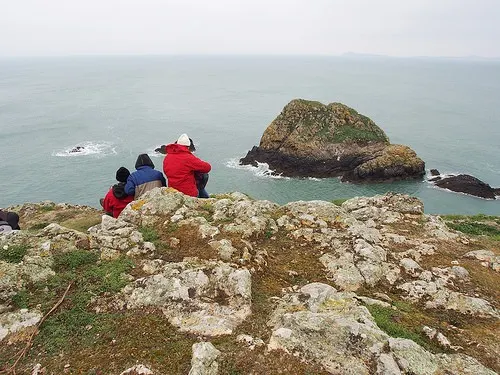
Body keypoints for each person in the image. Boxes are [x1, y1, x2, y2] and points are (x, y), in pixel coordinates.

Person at [163, 133, 211, 198]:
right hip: (188, 193)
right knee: (203, 176)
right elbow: (207, 167)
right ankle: (206, 200)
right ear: (188, 146)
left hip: (173, 191)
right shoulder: (188, 158)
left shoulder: (167, 157)